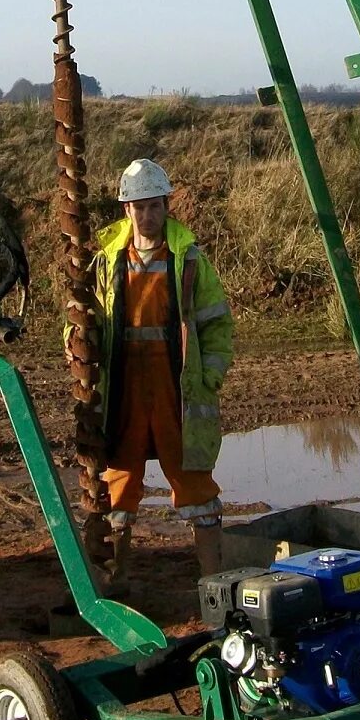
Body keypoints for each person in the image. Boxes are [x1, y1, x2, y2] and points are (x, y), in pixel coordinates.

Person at [91, 157, 233, 591]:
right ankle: (114, 586)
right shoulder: (107, 261)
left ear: (166, 205)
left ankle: (213, 586)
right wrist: (78, 350)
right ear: (126, 210)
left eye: (155, 206)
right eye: (139, 207)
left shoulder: (189, 259)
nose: (147, 215)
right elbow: (85, 321)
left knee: (192, 476)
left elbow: (216, 322)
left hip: (176, 386)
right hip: (124, 386)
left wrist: (208, 376)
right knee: (118, 480)